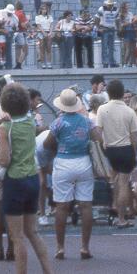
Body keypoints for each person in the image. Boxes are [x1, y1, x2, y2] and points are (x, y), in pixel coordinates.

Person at [0, 83, 53, 274]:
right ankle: (48, 271)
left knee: (17, 237)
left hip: (15, 181)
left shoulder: (4, 128)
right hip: (32, 177)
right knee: (32, 232)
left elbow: (4, 160)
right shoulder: (31, 122)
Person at [44, 88, 99, 260]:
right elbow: (98, 137)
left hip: (63, 162)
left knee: (61, 206)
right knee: (86, 205)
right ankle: (85, 247)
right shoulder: (86, 121)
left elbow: (46, 144)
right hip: (83, 162)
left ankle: (60, 247)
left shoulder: (58, 122)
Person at [96, 78, 137, 227]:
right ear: (122, 93)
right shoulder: (129, 111)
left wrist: (103, 148)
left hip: (110, 149)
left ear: (108, 93)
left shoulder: (102, 109)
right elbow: (135, 137)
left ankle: (114, 207)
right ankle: (121, 218)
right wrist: (134, 153)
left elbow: (98, 133)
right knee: (124, 183)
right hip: (126, 148)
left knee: (114, 181)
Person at [96, 0, 119, 68]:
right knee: (104, 47)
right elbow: (96, 18)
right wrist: (98, 28)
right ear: (106, 4)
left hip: (112, 29)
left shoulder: (116, 9)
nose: (110, 6)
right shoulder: (102, 9)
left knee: (112, 47)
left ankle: (111, 62)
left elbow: (117, 20)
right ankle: (105, 62)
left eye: (111, 4)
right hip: (104, 29)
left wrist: (118, 28)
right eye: (109, 4)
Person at [34, 4, 53, 69]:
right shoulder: (38, 17)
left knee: (49, 48)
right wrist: (44, 33)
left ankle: (49, 63)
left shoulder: (50, 17)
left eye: (45, 9)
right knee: (42, 49)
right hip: (41, 33)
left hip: (48, 32)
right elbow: (39, 26)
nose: (44, 11)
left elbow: (51, 25)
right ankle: (43, 63)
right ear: (41, 10)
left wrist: (50, 32)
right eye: (43, 9)